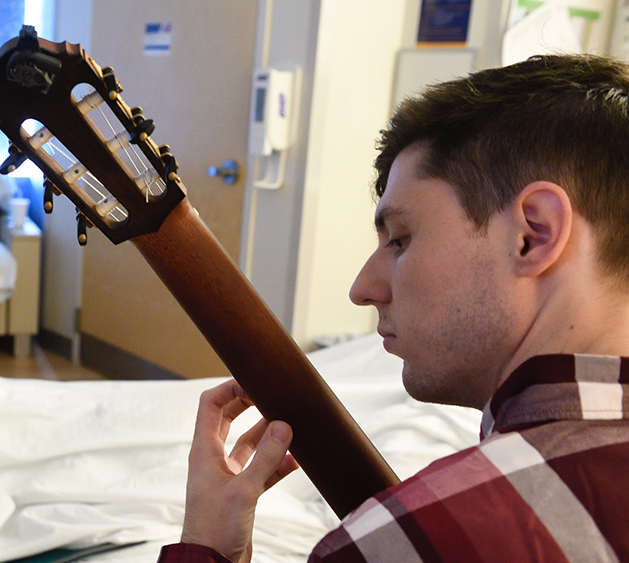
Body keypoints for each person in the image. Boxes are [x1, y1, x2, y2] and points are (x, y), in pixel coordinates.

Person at [161, 53, 629, 562]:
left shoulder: (396, 543)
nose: (362, 288)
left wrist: (204, 548)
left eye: (401, 240)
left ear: (531, 235)